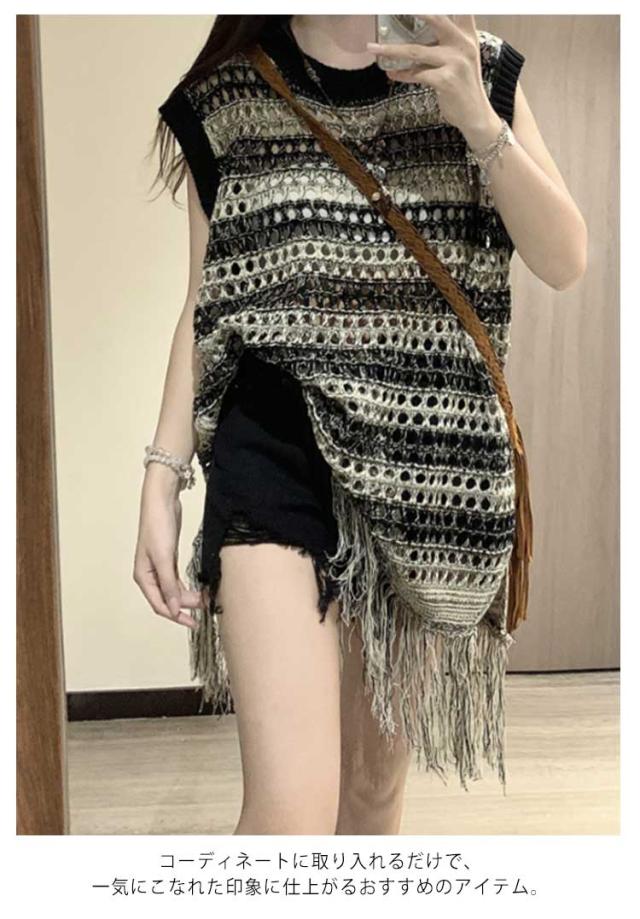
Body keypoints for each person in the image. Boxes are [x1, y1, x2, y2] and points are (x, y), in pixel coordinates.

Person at [134, 14, 587, 835]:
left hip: (425, 461)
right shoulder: (229, 97)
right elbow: (205, 302)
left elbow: (564, 257)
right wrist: (161, 477)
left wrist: (475, 117)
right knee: (290, 815)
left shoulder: (474, 70)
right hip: (272, 446)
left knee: (370, 797)